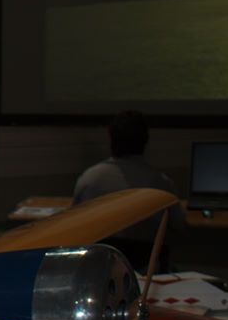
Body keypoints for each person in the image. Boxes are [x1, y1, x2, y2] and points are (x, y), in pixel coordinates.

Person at [72, 110, 185, 271]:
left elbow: (75, 224)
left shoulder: (89, 179)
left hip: (99, 269)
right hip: (146, 271)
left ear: (111, 139)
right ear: (145, 141)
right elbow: (178, 224)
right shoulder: (160, 184)